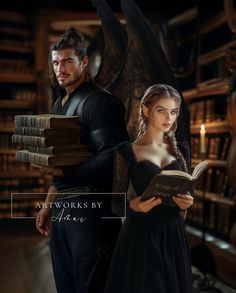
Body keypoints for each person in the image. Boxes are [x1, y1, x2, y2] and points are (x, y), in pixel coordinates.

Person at [35, 28, 128, 293]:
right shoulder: (59, 105)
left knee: (91, 287)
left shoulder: (99, 103)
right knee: (66, 286)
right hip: (64, 211)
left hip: (93, 213)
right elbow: (60, 168)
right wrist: (48, 204)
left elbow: (113, 159)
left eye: (67, 61)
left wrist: (65, 172)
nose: (59, 68)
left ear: (83, 62)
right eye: (55, 62)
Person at [104, 84, 194, 293]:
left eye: (173, 111)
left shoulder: (181, 150)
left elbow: (185, 209)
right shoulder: (126, 151)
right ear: (145, 110)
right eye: (161, 110)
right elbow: (115, 204)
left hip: (173, 235)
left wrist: (186, 204)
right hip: (141, 234)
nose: (168, 118)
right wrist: (133, 206)